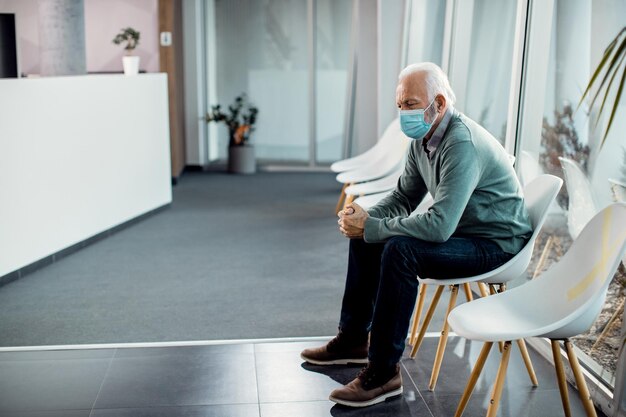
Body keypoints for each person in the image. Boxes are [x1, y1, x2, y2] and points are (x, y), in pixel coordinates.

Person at [300, 62, 532, 408]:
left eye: (410, 104)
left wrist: (374, 226)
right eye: (399, 105)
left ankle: (383, 372)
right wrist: (365, 218)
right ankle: (352, 339)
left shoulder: (461, 143)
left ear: (438, 104)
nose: (403, 113)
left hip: (495, 245)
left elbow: (438, 226)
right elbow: (404, 197)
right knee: (368, 235)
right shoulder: (423, 138)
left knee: (399, 250)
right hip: (464, 233)